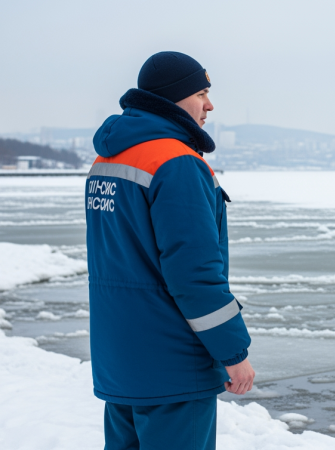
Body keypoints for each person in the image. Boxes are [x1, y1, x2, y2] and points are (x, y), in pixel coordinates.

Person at [86, 51, 255, 449]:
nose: (209, 105)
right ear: (174, 98)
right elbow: (194, 275)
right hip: (172, 363)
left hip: (121, 357)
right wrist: (234, 352)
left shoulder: (107, 159)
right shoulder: (177, 163)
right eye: (201, 94)